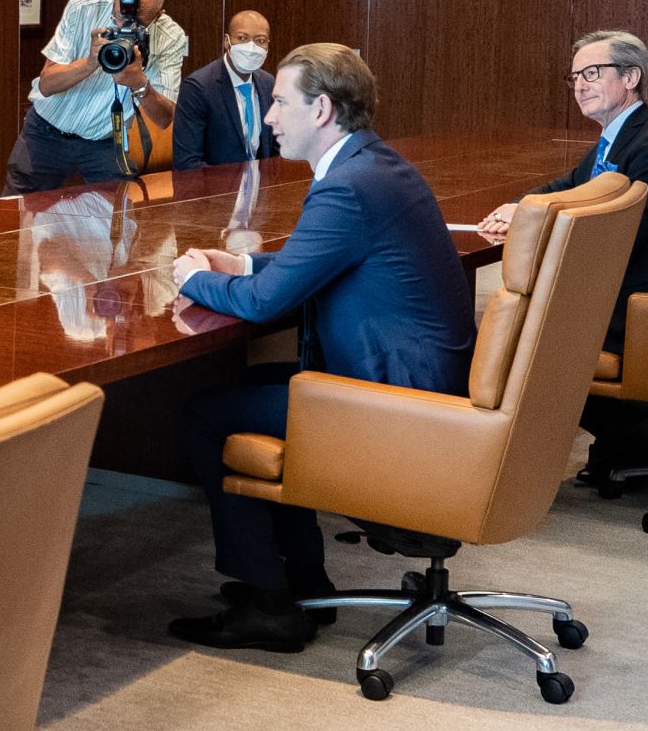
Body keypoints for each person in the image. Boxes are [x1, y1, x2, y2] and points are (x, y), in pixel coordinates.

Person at [167, 43, 476, 651]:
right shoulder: (374, 166)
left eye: (280, 102)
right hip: (419, 385)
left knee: (207, 413)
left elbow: (265, 304)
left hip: (394, 402)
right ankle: (304, 579)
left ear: (322, 110)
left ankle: (267, 602)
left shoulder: (348, 187)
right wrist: (242, 263)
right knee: (255, 391)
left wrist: (193, 279)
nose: (270, 117)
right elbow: (325, 259)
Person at [476, 29, 648, 482]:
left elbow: (622, 235)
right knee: (509, 333)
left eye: (592, 73)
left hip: (643, 306)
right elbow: (568, 185)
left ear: (630, 77)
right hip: (611, 295)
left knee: (519, 343)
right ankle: (629, 441)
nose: (580, 86)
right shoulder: (614, 141)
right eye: (575, 77)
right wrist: (519, 206)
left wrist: (538, 225)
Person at [5, 0, 188, 193]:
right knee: (17, 209)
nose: (128, 23)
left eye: (140, 20)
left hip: (104, 140)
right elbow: (46, 85)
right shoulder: (84, 5)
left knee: (119, 211)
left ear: (158, 15)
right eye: (123, 14)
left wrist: (139, 84)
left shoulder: (171, 37)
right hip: (47, 131)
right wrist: (90, 62)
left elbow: (164, 118)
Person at [171, 10, 276, 169]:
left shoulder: (268, 84)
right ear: (227, 41)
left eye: (260, 40)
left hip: (262, 181)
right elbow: (187, 163)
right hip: (216, 183)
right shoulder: (198, 88)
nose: (251, 47)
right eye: (242, 38)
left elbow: (277, 149)